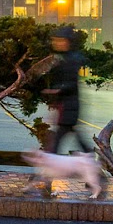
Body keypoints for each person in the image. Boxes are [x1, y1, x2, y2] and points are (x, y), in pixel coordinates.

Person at [42, 26, 94, 154]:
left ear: (68, 42)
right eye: (55, 40)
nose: (56, 43)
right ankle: (90, 158)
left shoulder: (71, 59)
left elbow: (70, 83)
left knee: (59, 138)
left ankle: (51, 165)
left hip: (68, 106)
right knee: (70, 134)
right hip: (67, 106)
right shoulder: (63, 58)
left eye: (60, 40)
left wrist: (56, 91)